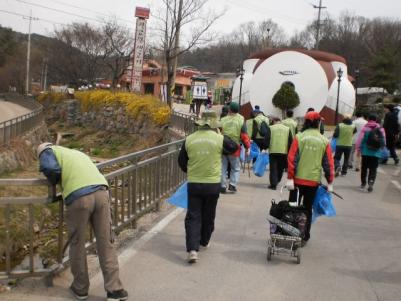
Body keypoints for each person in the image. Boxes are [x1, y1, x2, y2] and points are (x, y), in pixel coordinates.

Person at [37, 143, 128, 301]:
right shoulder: (74, 153)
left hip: (79, 197)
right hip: (101, 191)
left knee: (77, 243)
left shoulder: (46, 151)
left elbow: (50, 168)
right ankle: (115, 290)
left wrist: (55, 181)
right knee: (105, 241)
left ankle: (80, 289)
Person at [178, 111, 237, 263]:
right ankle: (204, 241)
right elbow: (234, 147)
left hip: (194, 183)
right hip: (212, 184)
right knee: (209, 214)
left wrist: (190, 171)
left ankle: (192, 249)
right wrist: (220, 133)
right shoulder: (219, 139)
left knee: (193, 215)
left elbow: (182, 161)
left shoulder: (189, 139)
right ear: (214, 124)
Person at [286, 111, 334, 244]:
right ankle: (304, 236)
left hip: (296, 181)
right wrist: (330, 182)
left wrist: (290, 177)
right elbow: (328, 163)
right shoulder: (324, 141)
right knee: (307, 209)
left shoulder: (299, 137)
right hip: (312, 182)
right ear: (318, 123)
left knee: (293, 207)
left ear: (306, 122)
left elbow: (292, 159)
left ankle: (291, 233)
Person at [220, 102, 251, 193]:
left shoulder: (223, 119)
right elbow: (244, 136)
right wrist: (248, 147)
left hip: (223, 146)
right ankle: (232, 185)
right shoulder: (241, 120)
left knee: (223, 167)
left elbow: (218, 132)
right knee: (235, 168)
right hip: (235, 148)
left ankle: (222, 186)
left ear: (229, 109)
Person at [356, 114, 386, 192]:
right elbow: (383, 141)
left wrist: (358, 150)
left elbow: (360, 140)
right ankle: (371, 183)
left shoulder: (365, 128)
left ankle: (363, 183)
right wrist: (382, 150)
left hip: (365, 152)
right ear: (376, 120)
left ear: (368, 119)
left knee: (364, 168)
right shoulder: (381, 129)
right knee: (373, 169)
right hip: (376, 153)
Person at [268, 118, 293, 190]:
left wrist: (265, 147)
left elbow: (267, 138)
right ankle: (278, 180)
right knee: (280, 168)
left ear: (274, 121)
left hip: (273, 151)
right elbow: (290, 141)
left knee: (273, 168)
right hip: (283, 152)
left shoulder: (271, 128)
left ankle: (273, 185)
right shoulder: (287, 129)